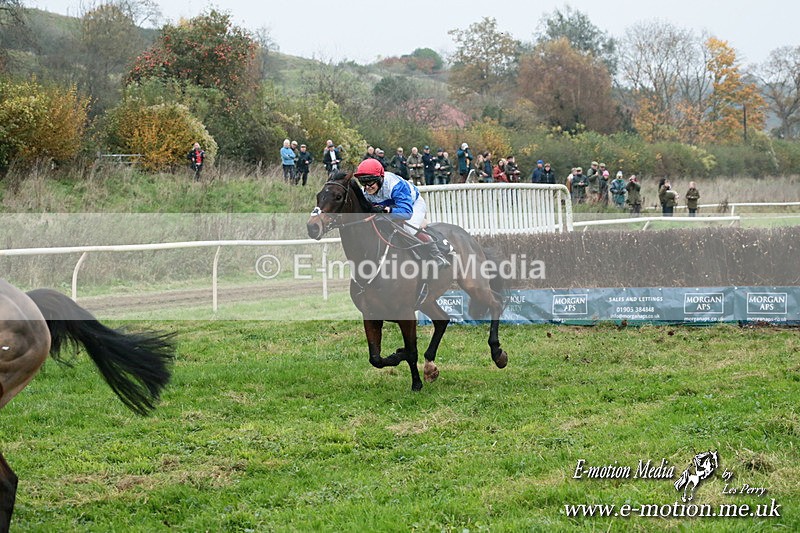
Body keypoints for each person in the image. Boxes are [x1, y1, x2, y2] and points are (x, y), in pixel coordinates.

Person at [353, 158, 450, 268]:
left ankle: (438, 256)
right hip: (391, 206)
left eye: (370, 182)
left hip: (412, 205)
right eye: (363, 182)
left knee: (409, 228)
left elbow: (406, 213)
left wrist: (387, 210)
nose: (367, 187)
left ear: (380, 178)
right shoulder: (365, 191)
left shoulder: (395, 185)